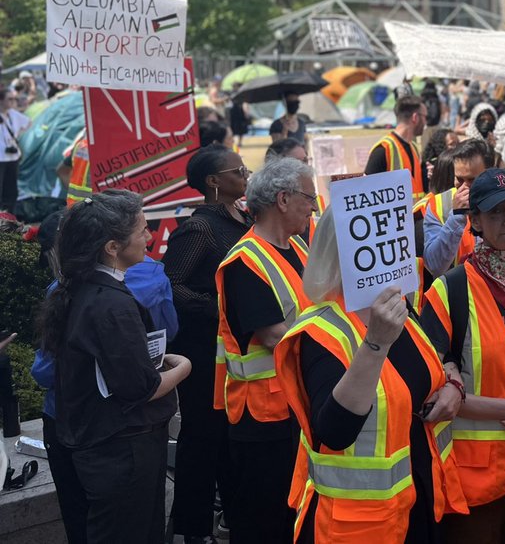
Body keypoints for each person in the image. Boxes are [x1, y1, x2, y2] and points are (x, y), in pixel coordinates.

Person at [274, 211, 465, 543]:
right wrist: (375, 343)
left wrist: (452, 388)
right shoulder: (322, 330)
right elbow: (334, 431)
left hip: (417, 502)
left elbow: (429, 371)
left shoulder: (398, 307)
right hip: (357, 524)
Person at [37, 191, 192, 544]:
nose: (150, 238)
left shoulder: (79, 287)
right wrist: (183, 366)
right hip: (123, 449)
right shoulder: (110, 303)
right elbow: (142, 388)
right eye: (141, 232)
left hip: (101, 444)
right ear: (112, 246)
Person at [421, 169, 505, 542]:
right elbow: (429, 392)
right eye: (497, 212)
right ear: (474, 220)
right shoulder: (448, 292)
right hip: (473, 481)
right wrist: (503, 409)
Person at [214, 158, 317, 542]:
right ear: (284, 199)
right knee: (264, 522)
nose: (313, 205)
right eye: (308, 197)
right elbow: (277, 335)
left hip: (294, 409)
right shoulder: (245, 261)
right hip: (263, 419)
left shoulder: (299, 248)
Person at [161, 145, 252, 544]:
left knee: (228, 438)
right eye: (238, 170)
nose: (246, 174)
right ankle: (190, 529)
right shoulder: (200, 227)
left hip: (232, 348)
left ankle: (234, 520)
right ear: (214, 182)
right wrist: (220, 307)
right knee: (202, 437)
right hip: (202, 350)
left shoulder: (244, 216)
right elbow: (172, 284)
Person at [423, 139, 493, 277]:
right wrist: (456, 217)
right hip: (458, 293)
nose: (464, 188)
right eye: (459, 179)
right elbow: (434, 266)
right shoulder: (438, 206)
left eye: (472, 180)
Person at [365, 93, 427, 195]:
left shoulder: (414, 148)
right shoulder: (383, 149)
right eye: (425, 117)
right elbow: (368, 192)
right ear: (415, 117)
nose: (425, 122)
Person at [0, 89, 30, 212]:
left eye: (14, 99)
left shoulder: (13, 114)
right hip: (1, 157)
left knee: (11, 189)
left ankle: (8, 215)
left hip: (12, 157)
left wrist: (17, 135)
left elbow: (28, 122)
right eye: (10, 99)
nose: (13, 102)